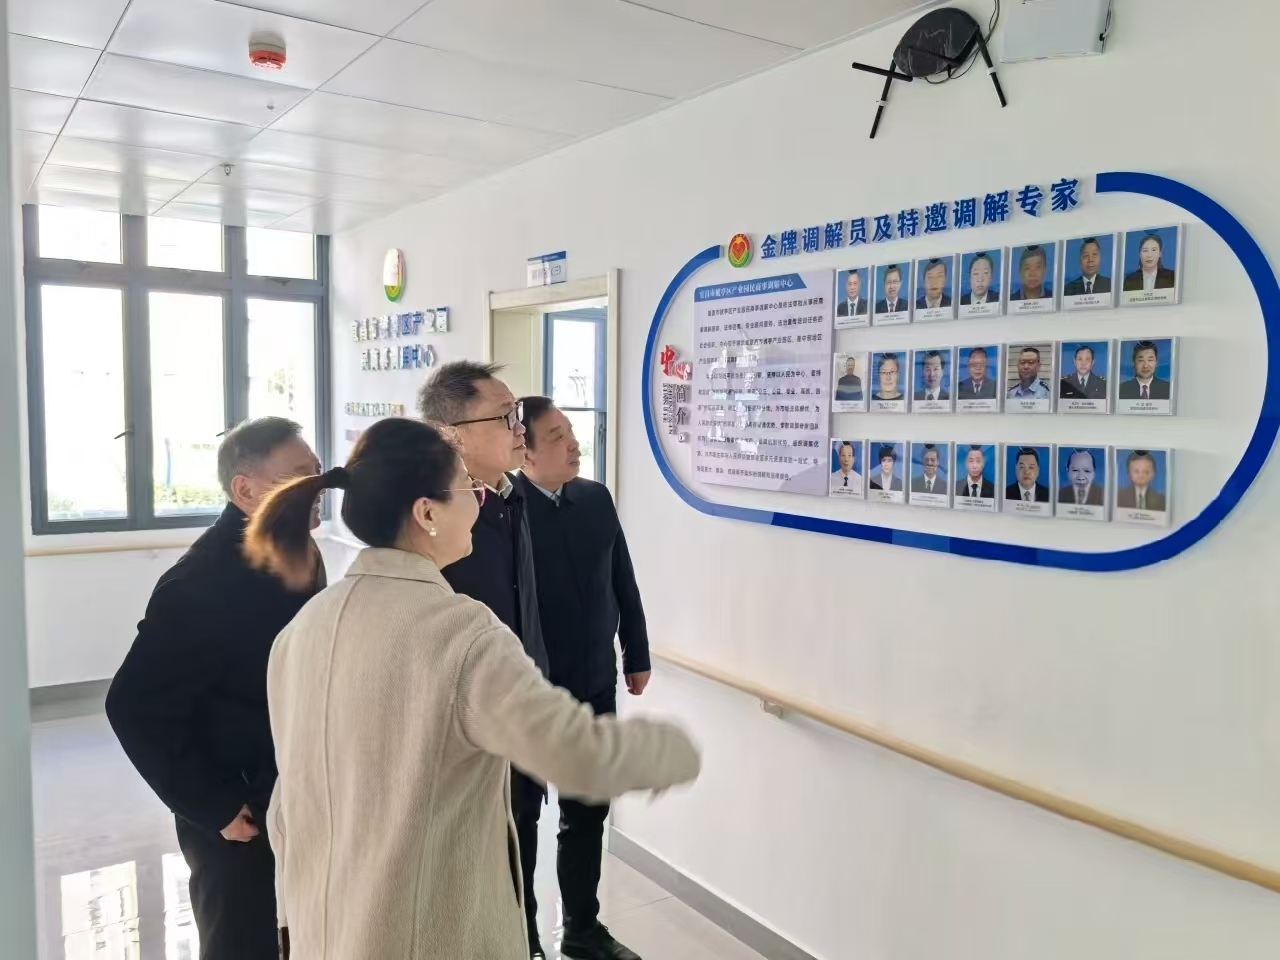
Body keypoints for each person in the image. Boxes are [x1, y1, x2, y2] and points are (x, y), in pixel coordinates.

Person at [247, 418, 700, 960]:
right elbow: (579, 756)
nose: (482, 501)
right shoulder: (462, 633)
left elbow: (288, 802)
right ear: (428, 513)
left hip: (323, 930)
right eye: (468, 487)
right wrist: (674, 751)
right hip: (427, 934)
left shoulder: (303, 628)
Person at [106, 418, 325, 960]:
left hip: (292, 791)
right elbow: (132, 705)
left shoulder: (300, 552)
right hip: (238, 813)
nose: (317, 488)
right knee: (240, 939)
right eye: (300, 477)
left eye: (318, 474)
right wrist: (216, 806)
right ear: (245, 490)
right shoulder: (200, 582)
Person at [417, 361, 554, 958]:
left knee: (520, 856)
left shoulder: (512, 496)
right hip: (461, 741)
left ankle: (527, 942)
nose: (520, 428)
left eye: (517, 414)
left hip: (519, 719)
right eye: (504, 417)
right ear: (452, 435)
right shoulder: (427, 518)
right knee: (465, 881)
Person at [513, 397, 656, 960]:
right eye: (555, 436)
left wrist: (636, 652)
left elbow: (623, 577)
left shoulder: (595, 498)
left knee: (588, 810)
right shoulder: (503, 511)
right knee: (522, 821)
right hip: (530, 695)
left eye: (570, 431)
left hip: (595, 682)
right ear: (523, 452)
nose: (573, 443)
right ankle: (523, 938)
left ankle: (581, 928)